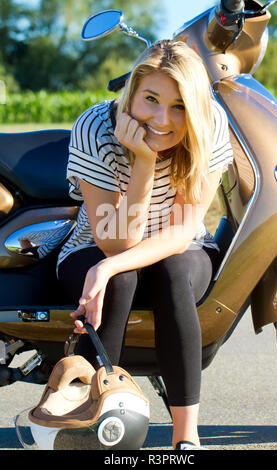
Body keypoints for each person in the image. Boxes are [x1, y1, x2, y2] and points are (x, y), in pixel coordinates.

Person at [56, 39, 234, 450]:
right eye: (150, 99)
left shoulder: (211, 125)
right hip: (95, 244)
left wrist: (108, 268)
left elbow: (181, 231)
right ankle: (94, 428)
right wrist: (145, 161)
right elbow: (116, 241)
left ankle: (185, 441)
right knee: (120, 279)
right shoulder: (94, 127)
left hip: (180, 247)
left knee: (169, 271)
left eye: (179, 107)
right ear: (131, 91)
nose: (162, 119)